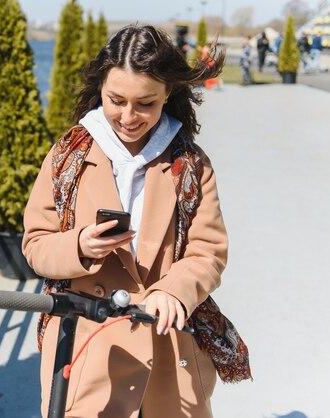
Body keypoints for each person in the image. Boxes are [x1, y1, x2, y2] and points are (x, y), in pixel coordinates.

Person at [23, 24, 250, 418]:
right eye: (116, 100)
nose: (128, 117)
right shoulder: (66, 156)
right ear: (100, 91)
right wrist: (79, 246)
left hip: (170, 345)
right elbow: (35, 244)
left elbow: (208, 251)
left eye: (145, 103)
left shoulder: (191, 164)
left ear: (168, 96)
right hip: (89, 345)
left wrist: (175, 291)